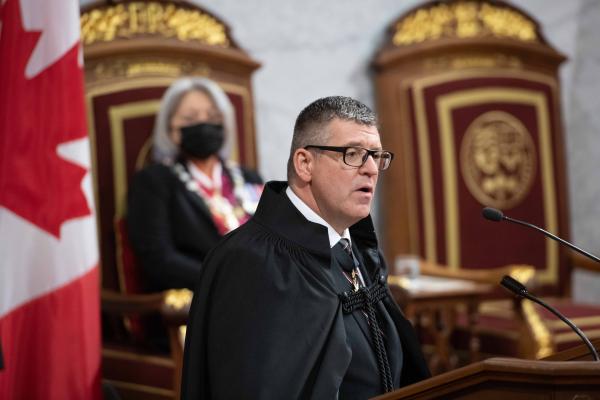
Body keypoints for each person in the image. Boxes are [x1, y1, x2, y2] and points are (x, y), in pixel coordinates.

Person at [181, 96, 430, 399]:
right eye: (353, 154)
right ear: (305, 163)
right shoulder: (251, 261)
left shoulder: (360, 253)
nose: (371, 169)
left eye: (376, 156)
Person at [127, 77, 263, 292]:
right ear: (171, 129)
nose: (203, 123)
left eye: (212, 117)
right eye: (190, 119)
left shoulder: (248, 177)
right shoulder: (154, 181)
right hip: (206, 296)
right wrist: (227, 280)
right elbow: (159, 258)